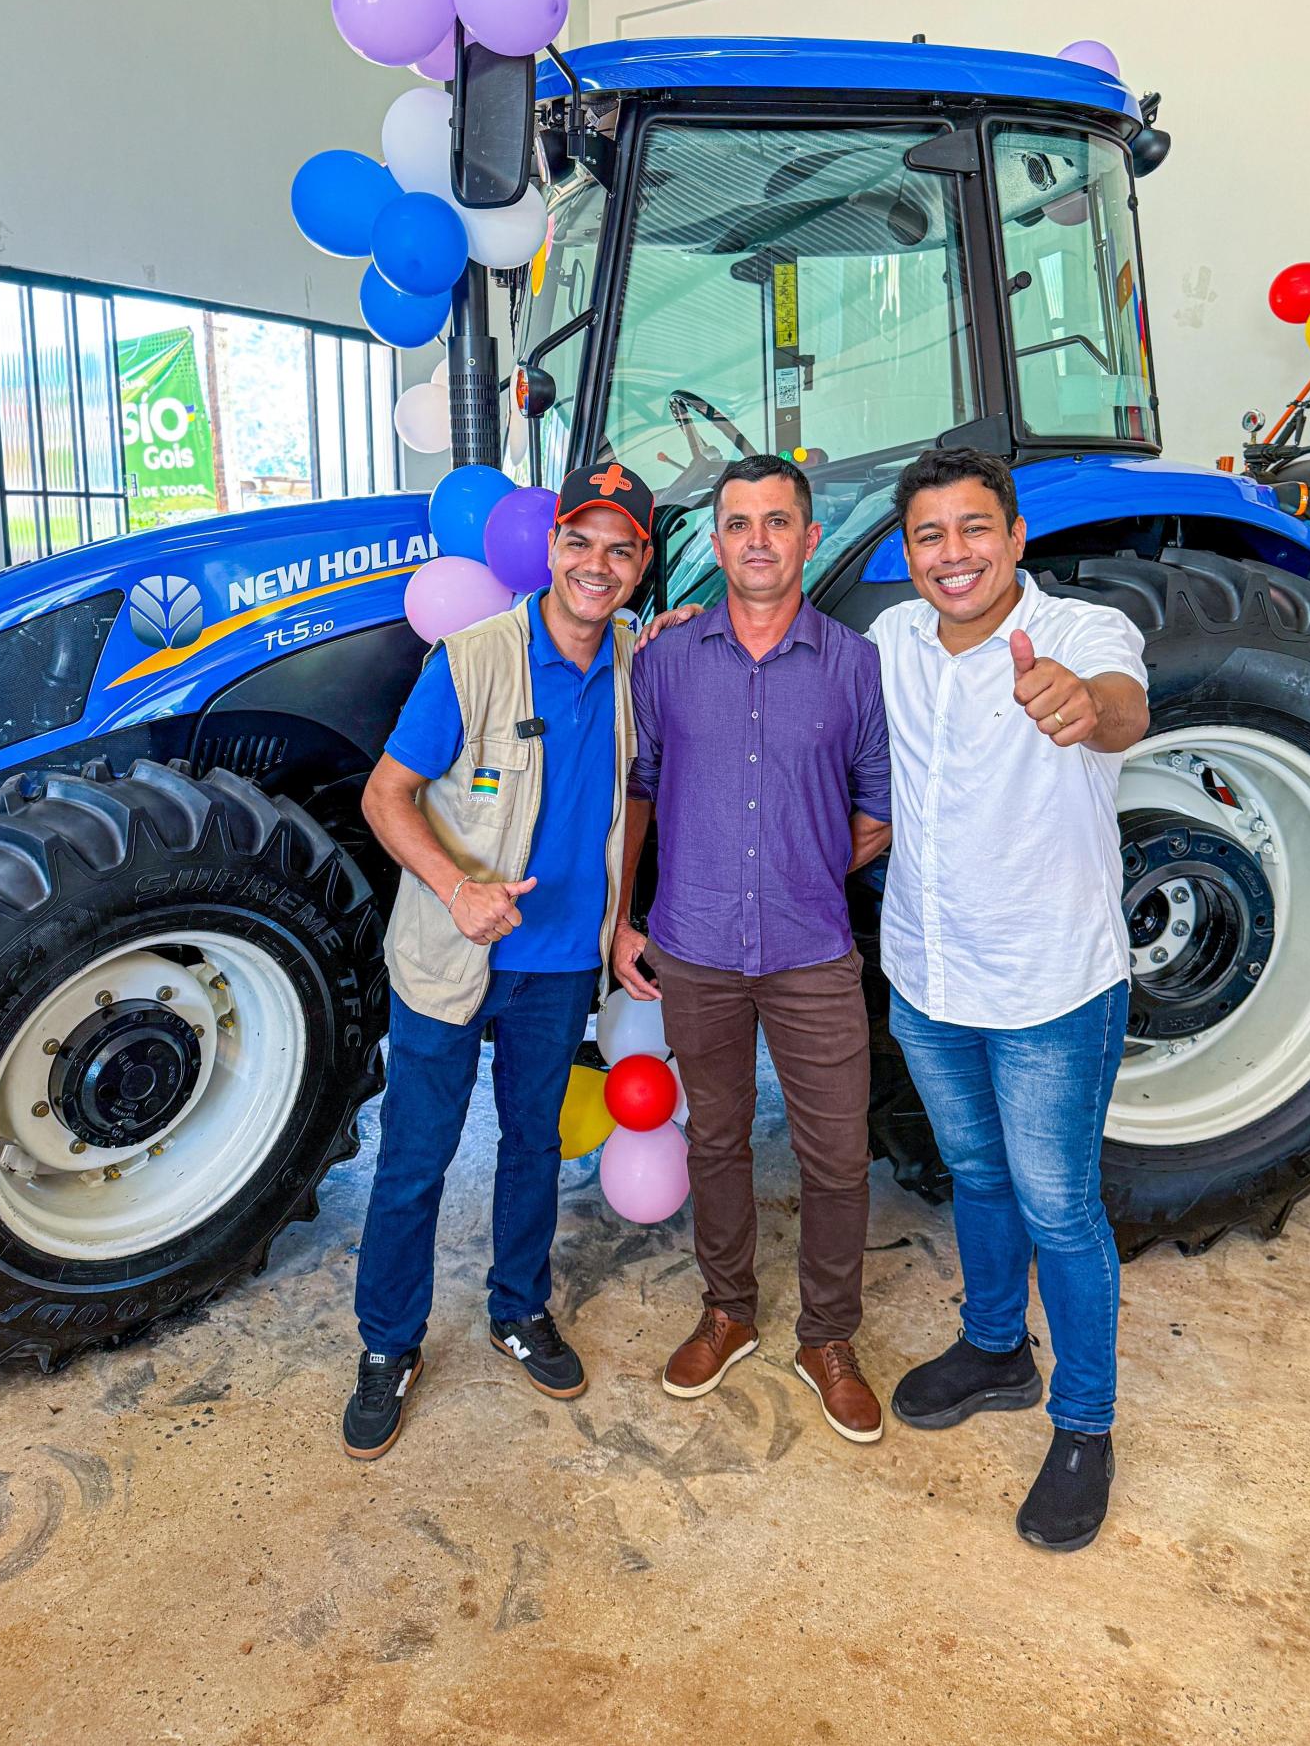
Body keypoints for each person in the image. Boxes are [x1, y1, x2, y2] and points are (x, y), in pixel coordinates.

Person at [341, 460, 654, 1460]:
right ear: (550, 546)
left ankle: (519, 1307)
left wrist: (619, 919)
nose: (595, 564)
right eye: (580, 541)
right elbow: (385, 797)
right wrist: (456, 885)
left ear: (641, 566)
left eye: (620, 548)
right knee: (415, 1160)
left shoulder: (637, 661)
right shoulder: (473, 658)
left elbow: (629, 801)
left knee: (533, 1146)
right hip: (449, 959)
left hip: (561, 965)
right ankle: (389, 1345)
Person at [872, 447, 1148, 1551]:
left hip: (1047, 986)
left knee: (1058, 1205)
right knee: (974, 1176)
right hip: (928, 974)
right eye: (931, 535)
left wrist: (1084, 706)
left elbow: (1123, 704)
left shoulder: (1079, 635)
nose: (954, 553)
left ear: (1017, 536)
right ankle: (995, 1347)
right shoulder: (889, 640)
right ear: (908, 552)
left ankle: (1085, 1423)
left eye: (974, 528)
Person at [614, 454, 892, 1443]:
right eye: (739, 523)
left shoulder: (854, 664)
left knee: (835, 1153)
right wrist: (620, 913)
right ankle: (728, 1309)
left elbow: (877, 804)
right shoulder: (665, 658)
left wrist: (805, 863)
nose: (759, 540)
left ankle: (829, 1335)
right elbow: (637, 789)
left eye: (778, 521)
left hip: (812, 946)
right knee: (717, 1139)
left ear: (809, 539)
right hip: (695, 946)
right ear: (716, 540)